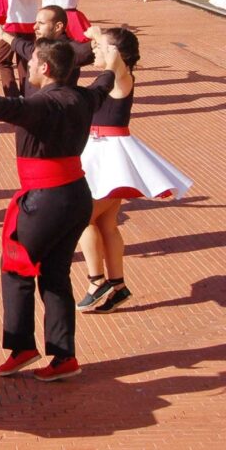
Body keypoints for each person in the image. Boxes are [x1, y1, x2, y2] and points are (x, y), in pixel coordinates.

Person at [0, 38, 118, 382]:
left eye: (33, 59)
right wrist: (113, 63)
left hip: (46, 198)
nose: (28, 65)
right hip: (77, 195)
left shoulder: (44, 103)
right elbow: (104, 84)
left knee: (16, 267)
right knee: (55, 274)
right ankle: (63, 355)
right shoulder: (84, 97)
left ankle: (23, 346)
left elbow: (6, 108)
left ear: (45, 68)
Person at [76, 27, 192, 313]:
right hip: (102, 153)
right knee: (106, 223)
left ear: (117, 53)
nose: (96, 51)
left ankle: (96, 280)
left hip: (109, 155)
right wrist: (99, 37)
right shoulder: (115, 75)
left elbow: (113, 62)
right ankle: (118, 285)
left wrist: (104, 39)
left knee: (81, 219)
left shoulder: (120, 76)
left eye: (101, 48)